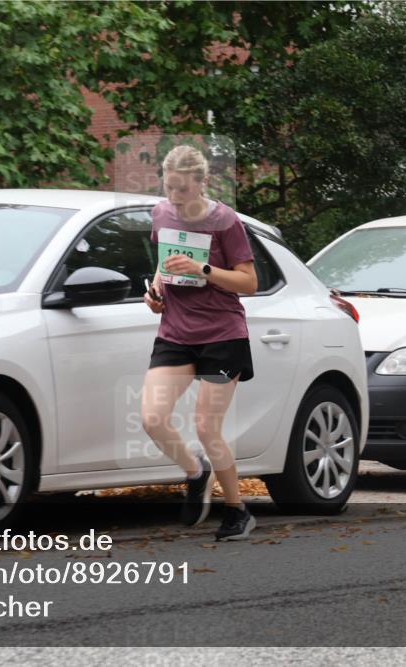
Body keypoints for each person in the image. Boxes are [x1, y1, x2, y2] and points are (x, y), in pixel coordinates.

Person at [141, 145, 258, 541]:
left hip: (222, 335)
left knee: (207, 427)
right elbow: (164, 264)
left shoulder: (225, 221)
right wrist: (155, 292)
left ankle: (237, 510)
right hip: (175, 332)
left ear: (203, 182)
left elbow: (249, 282)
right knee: (152, 418)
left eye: (183, 189)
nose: (175, 197)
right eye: (169, 188)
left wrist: (203, 269)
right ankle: (195, 473)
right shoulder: (161, 214)